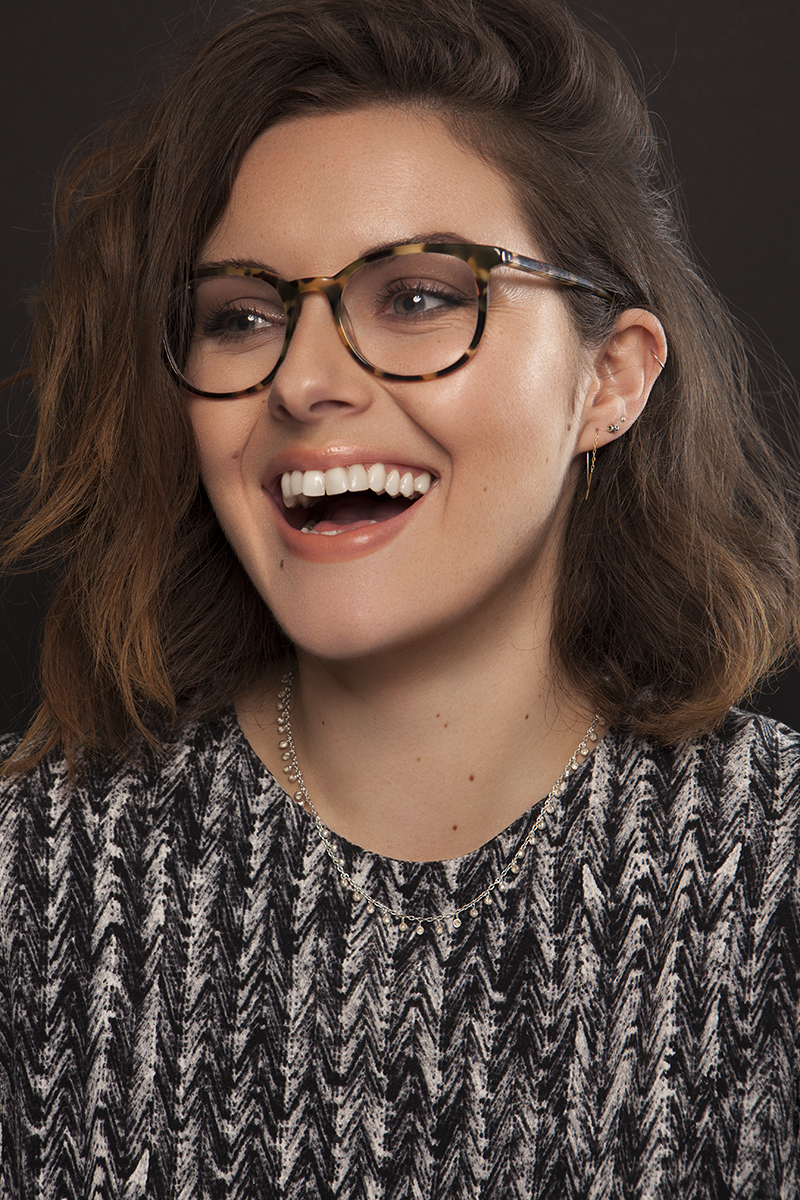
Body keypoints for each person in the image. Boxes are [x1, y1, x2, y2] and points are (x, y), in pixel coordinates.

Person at [1, 0, 799, 1195]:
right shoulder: (30, 865)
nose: (303, 381)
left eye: (418, 297)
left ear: (608, 380)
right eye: (240, 318)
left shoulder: (773, 864)